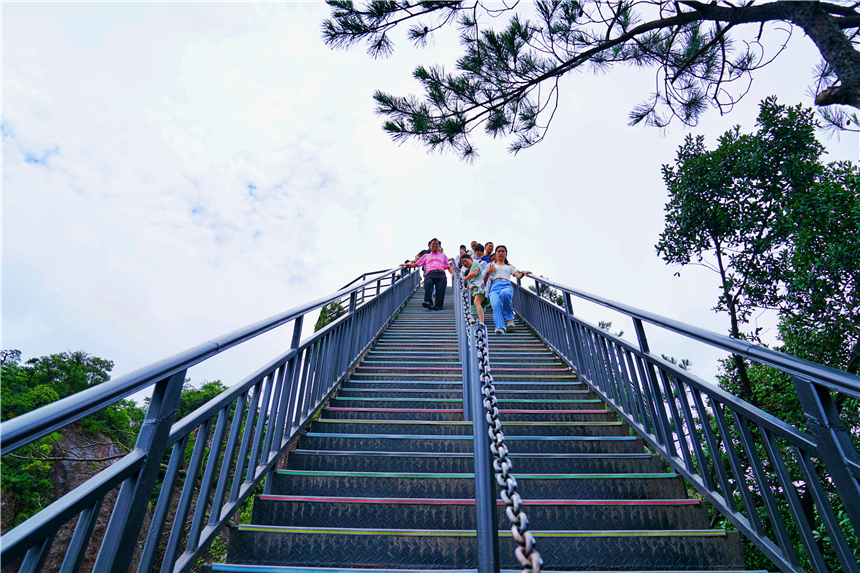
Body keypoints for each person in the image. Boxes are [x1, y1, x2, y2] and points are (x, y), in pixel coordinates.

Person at [482, 245, 532, 334]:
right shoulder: (490, 265)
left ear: (506, 254)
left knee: (504, 294)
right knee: (496, 304)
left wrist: (523, 273)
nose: (501, 253)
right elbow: (484, 281)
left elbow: (518, 276)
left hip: (506, 285)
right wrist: (487, 273)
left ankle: (509, 318)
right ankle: (500, 327)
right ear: (496, 253)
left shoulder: (509, 267)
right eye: (499, 251)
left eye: (503, 251)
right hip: (494, 287)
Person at [401, 238, 453, 310]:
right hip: (430, 273)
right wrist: (406, 265)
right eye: (433, 244)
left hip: (440, 273)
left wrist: (452, 274)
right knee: (428, 284)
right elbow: (416, 264)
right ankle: (428, 302)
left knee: (441, 289)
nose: (435, 245)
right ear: (430, 246)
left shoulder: (443, 256)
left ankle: (438, 305)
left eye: (436, 244)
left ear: (439, 246)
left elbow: (448, 267)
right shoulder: (426, 256)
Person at [460, 252, 489, 325]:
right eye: (463, 263)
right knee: (465, 301)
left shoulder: (475, 264)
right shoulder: (469, 271)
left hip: (480, 288)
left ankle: (482, 322)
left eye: (465, 261)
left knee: (476, 302)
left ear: (470, 259)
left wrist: (463, 279)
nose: (464, 263)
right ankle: (470, 317)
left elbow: (474, 273)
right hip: (474, 289)